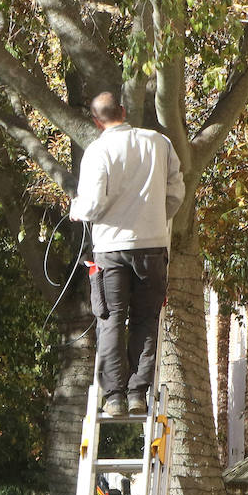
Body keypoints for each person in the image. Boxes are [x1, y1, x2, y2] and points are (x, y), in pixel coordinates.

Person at [70, 91, 185, 417]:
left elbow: (92, 203)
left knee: (110, 320)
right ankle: (138, 394)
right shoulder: (158, 143)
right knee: (145, 320)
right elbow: (176, 190)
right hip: (151, 247)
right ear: (123, 111)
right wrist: (156, 219)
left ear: (96, 121)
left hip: (110, 250)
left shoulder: (97, 150)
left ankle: (116, 397)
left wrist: (78, 210)